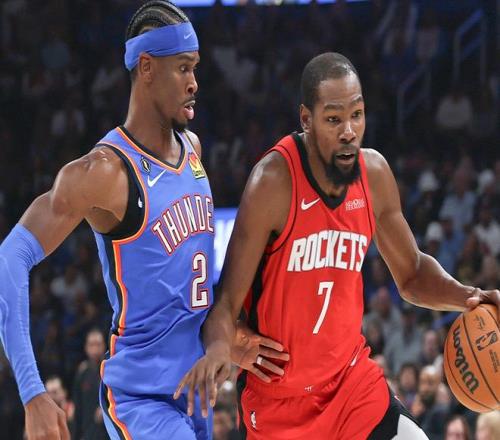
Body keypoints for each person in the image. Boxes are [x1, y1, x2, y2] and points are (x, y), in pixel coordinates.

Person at [175, 52, 500, 439]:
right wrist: (219, 348)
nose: (349, 130)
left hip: (351, 386)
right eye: (333, 119)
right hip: (279, 401)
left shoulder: (373, 175)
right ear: (306, 119)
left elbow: (412, 273)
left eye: (357, 115)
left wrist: (469, 296)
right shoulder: (273, 182)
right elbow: (226, 303)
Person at [0, 1, 217, 439]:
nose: (194, 82)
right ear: (147, 67)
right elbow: (11, 255)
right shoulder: (104, 172)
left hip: (196, 390)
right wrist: (32, 391)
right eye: (183, 68)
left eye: (195, 68)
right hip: (142, 399)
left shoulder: (192, 149)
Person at [72, 328, 108, 440]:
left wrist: (105, 408)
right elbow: (77, 408)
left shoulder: (111, 371)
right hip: (88, 433)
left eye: (98, 344)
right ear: (86, 347)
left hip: (108, 433)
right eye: (92, 345)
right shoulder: (82, 372)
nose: (95, 349)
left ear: (104, 346)